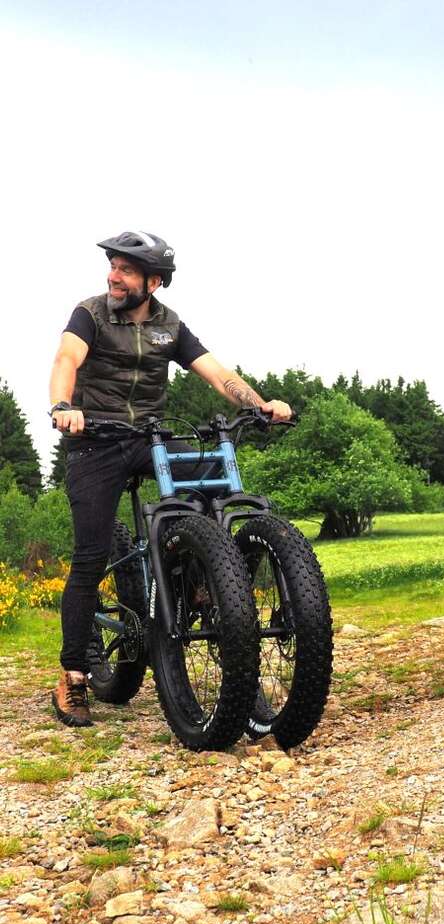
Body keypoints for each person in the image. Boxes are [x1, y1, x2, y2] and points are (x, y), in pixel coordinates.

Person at [49, 231, 292, 727]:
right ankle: (73, 675)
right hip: (94, 439)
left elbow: (214, 371)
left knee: (207, 485)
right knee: (91, 554)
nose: (114, 276)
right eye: (113, 267)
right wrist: (64, 406)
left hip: (149, 438)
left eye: (126, 270)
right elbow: (66, 359)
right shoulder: (90, 313)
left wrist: (259, 404)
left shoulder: (169, 326)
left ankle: (203, 582)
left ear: (153, 282)